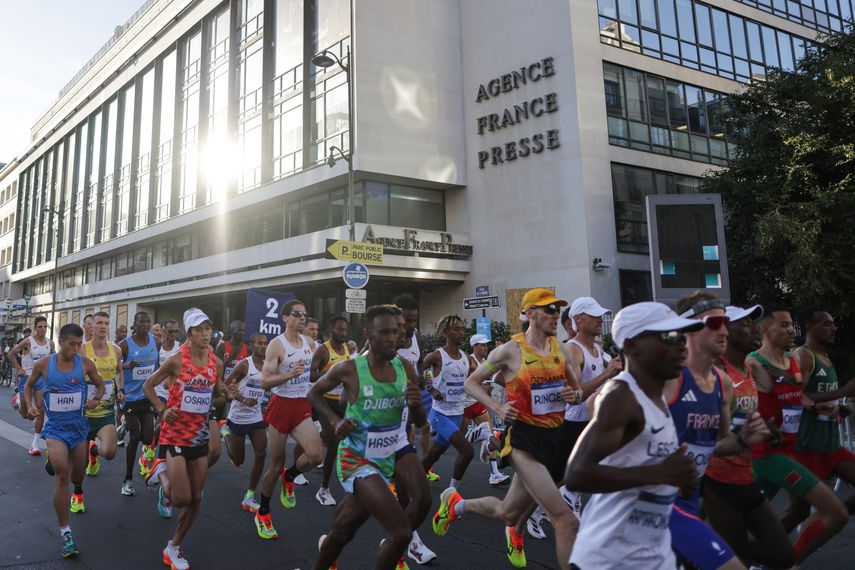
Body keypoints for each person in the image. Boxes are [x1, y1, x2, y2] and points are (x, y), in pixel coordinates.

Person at [434, 289, 582, 570]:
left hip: (556, 439)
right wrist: (498, 408)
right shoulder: (510, 351)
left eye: (557, 309)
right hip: (524, 440)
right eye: (548, 309)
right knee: (565, 519)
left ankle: (455, 504)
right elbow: (472, 383)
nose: (556, 314)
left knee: (508, 512)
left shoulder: (561, 350)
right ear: (529, 314)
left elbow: (577, 391)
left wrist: (574, 395)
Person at [565, 302, 703, 569]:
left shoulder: (659, 396)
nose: (681, 346)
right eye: (668, 337)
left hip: (653, 554)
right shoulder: (622, 396)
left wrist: (678, 480)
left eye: (682, 337)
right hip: (609, 559)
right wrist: (663, 474)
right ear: (632, 346)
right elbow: (577, 474)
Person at [309, 305, 426, 570]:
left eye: (395, 332)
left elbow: (420, 421)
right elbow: (314, 393)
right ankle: (394, 543)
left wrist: (416, 403)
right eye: (384, 332)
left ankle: (391, 545)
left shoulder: (406, 368)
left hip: (394, 445)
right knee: (400, 532)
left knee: (423, 500)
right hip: (359, 458)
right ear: (368, 335)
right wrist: (336, 421)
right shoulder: (350, 369)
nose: (392, 338)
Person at [666, 294, 771, 570]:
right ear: (689, 326)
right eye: (715, 322)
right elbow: (599, 406)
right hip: (655, 500)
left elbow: (718, 442)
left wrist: (742, 439)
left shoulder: (722, 383)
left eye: (725, 322)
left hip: (689, 498)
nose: (724, 329)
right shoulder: (668, 376)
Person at [747, 305, 847, 563]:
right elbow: (737, 399)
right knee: (832, 512)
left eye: (792, 324)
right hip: (771, 453)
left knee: (750, 517)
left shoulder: (791, 360)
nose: (792, 329)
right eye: (784, 325)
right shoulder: (755, 362)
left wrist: (820, 406)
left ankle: (757, 557)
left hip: (789, 449)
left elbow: (798, 398)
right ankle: (781, 562)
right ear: (765, 329)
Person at [703, 305, 795, 568]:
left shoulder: (747, 368)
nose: (752, 329)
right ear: (726, 333)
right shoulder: (714, 371)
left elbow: (744, 413)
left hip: (746, 473)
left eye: (751, 323)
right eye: (743, 325)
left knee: (783, 555)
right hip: (717, 477)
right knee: (738, 556)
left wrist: (764, 429)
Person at [143, 308, 224, 570]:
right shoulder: (176, 360)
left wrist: (228, 393)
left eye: (208, 329)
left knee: (196, 499)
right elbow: (149, 385)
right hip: (175, 434)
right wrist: (162, 409)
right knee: (180, 499)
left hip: (198, 435)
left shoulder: (215, 362)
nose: (205, 334)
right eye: (199, 329)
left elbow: (217, 394)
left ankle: (173, 547)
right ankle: (161, 472)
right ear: (189, 333)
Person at [24, 324, 104, 558]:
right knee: (62, 476)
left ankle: (77, 487)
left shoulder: (85, 364)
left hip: (79, 429)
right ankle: (66, 532)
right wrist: (30, 405)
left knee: (78, 475)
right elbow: (29, 386)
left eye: (80, 344)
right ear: (61, 342)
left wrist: (96, 398)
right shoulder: (45, 364)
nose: (77, 348)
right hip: (56, 429)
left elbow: (100, 385)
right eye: (72, 344)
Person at [546, 297, 621, 536]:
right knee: (555, 480)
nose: (601, 320)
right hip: (574, 424)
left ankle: (571, 505)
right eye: (595, 315)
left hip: (593, 422)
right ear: (579, 319)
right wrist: (607, 374)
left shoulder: (598, 349)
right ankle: (519, 518)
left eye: (601, 315)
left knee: (587, 472)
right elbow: (576, 395)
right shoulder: (572, 350)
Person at [254, 299, 322, 539]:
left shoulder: (310, 343)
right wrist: (289, 375)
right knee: (274, 464)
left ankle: (290, 475)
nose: (302, 318)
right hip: (281, 406)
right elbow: (264, 381)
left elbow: (321, 368)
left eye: (304, 314)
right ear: (285, 318)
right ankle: (263, 512)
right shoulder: (276, 345)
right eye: (297, 314)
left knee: (316, 455)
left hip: (301, 404)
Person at [788, 308, 855, 526]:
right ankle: (760, 554)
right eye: (826, 324)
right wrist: (843, 392)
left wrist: (838, 407)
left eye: (833, 323)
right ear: (809, 327)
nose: (833, 328)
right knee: (798, 513)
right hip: (806, 448)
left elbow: (821, 400)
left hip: (830, 445)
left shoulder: (824, 356)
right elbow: (796, 395)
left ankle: (832, 514)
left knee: (826, 513)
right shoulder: (803, 355)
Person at [421, 315, 480, 491]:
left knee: (434, 454)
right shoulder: (436, 356)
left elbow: (473, 381)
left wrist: (481, 388)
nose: (461, 333)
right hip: (440, 414)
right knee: (467, 451)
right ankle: (451, 493)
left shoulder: (467, 358)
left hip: (458, 415)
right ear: (446, 332)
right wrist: (431, 390)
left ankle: (412, 480)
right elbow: (417, 375)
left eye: (462, 329)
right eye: (456, 329)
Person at [79, 312, 124, 494]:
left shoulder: (116, 350)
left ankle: (94, 452)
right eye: (99, 323)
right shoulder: (82, 350)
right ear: (91, 326)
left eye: (106, 323)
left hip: (105, 413)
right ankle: (77, 493)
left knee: (110, 452)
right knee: (79, 465)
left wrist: (120, 389)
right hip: (83, 415)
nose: (103, 326)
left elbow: (119, 371)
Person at [224, 333, 269, 513]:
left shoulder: (268, 366)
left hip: (256, 417)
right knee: (238, 460)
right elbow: (225, 386)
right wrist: (242, 399)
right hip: (238, 417)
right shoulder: (244, 365)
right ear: (251, 345)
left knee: (261, 454)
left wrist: (269, 394)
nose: (263, 346)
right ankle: (225, 433)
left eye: (266, 343)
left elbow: (266, 387)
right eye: (259, 343)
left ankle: (249, 496)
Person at [310, 315, 351, 506]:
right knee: (334, 443)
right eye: (339, 330)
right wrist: (329, 375)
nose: (343, 333)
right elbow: (311, 374)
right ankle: (323, 489)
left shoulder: (347, 349)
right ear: (331, 330)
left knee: (351, 440)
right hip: (325, 401)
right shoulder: (322, 350)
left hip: (343, 402)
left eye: (345, 330)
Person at [118, 311, 161, 496]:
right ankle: (127, 479)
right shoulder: (124, 345)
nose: (145, 325)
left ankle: (126, 425)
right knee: (135, 438)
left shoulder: (155, 342)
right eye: (141, 322)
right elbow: (115, 368)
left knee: (148, 438)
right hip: (129, 397)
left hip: (146, 396)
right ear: (134, 324)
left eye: (148, 322)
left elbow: (157, 367)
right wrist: (127, 366)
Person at [464, 333, 510, 487]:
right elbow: (462, 383)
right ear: (474, 346)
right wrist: (480, 388)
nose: (485, 347)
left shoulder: (485, 362)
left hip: (478, 405)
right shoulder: (469, 361)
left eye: (486, 345)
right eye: (482, 345)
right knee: (460, 443)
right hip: (463, 406)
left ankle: (494, 474)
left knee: (489, 434)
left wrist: (486, 390)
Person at [393, 294, 432, 465]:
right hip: (389, 400)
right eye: (406, 320)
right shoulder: (385, 340)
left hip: (410, 398)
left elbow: (419, 361)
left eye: (414, 320)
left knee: (421, 428)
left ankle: (425, 467)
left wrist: (422, 377)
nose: (410, 325)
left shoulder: (418, 339)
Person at [9, 315, 56, 455]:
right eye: (40, 326)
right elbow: (11, 354)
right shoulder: (28, 342)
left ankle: (34, 444)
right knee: (26, 415)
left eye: (45, 326)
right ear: (35, 328)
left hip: (41, 379)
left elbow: (53, 359)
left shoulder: (50, 343)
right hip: (27, 379)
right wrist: (19, 369)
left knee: (40, 410)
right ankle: (18, 400)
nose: (42, 329)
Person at [215, 320, 249, 435]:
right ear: (232, 331)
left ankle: (233, 432)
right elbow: (216, 367)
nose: (242, 333)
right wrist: (231, 358)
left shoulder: (247, 348)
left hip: (239, 387)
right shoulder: (223, 347)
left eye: (243, 330)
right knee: (221, 409)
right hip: (223, 385)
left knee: (235, 412)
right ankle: (222, 431)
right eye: (239, 330)